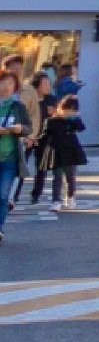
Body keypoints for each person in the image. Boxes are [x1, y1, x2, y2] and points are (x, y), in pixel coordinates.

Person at [31, 95, 84, 210]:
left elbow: (81, 127)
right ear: (61, 108)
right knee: (57, 177)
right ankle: (56, 201)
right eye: (68, 109)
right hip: (56, 151)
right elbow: (45, 135)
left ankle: (70, 197)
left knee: (70, 177)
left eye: (73, 110)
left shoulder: (73, 121)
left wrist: (75, 118)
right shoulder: (52, 121)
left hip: (71, 151)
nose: (70, 112)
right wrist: (36, 141)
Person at [0, 75, 24, 245]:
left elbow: (28, 125)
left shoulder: (17, 107)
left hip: (10, 158)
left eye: (11, 83)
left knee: (3, 196)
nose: (7, 86)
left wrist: (20, 128)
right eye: (4, 83)